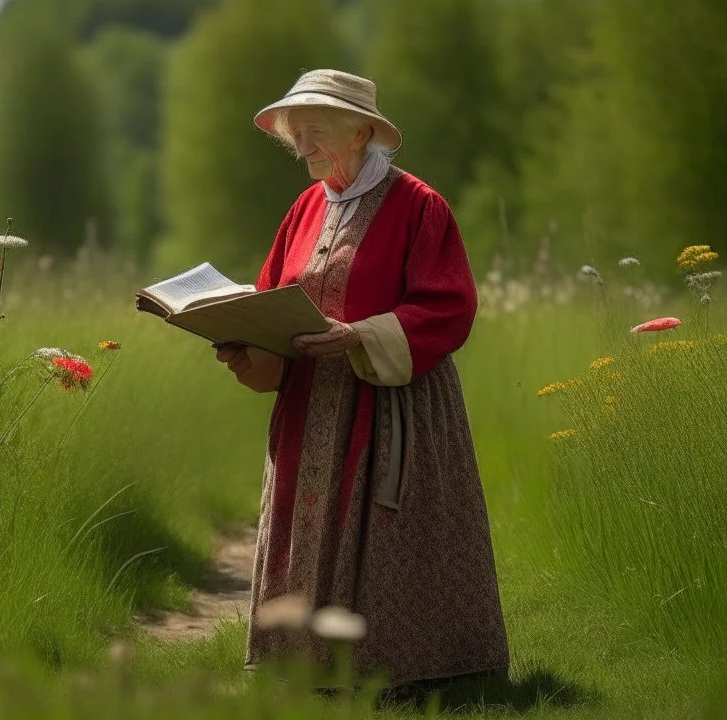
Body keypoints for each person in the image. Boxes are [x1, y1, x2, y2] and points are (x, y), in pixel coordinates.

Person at [214, 68, 509, 695]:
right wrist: (242, 333)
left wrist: (360, 335)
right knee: (305, 521)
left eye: (316, 132)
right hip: (305, 407)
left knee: (387, 528)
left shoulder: (420, 206)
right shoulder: (305, 206)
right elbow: (273, 290)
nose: (304, 147)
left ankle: (408, 674)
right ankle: (300, 667)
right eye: (297, 135)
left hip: (392, 402)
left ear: (362, 133)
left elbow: (448, 306)